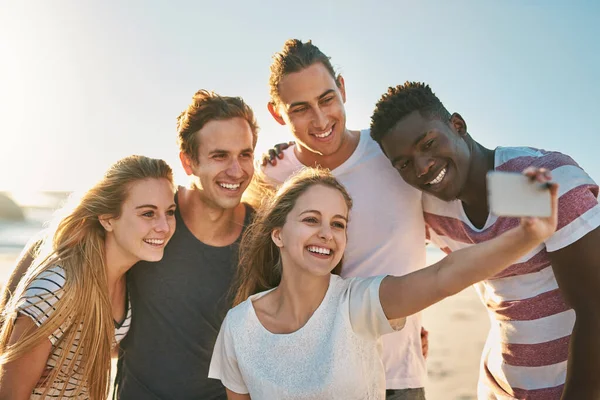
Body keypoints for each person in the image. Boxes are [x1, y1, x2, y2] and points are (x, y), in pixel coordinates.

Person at [209, 167, 558, 400]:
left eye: (338, 224)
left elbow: (443, 276)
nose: (326, 234)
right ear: (278, 234)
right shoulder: (238, 326)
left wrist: (527, 236)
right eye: (311, 219)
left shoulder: (356, 305)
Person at [369, 82, 600, 399]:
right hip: (498, 387)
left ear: (458, 125)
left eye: (428, 144)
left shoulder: (531, 180)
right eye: (405, 163)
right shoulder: (431, 207)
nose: (422, 167)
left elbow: (594, 308)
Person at [255, 39, 428, 399]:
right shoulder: (272, 178)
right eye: (300, 108)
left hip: (399, 379)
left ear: (343, 88)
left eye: (327, 99)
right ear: (277, 114)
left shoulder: (392, 154)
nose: (320, 120)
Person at [114, 90, 258, 399]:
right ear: (188, 161)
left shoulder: (263, 238)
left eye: (245, 154)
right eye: (220, 156)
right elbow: (79, 248)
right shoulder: (152, 218)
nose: (236, 170)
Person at [0, 155, 176, 399]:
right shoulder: (59, 288)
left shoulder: (131, 277)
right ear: (107, 219)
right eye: (148, 213)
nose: (164, 227)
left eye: (170, 212)